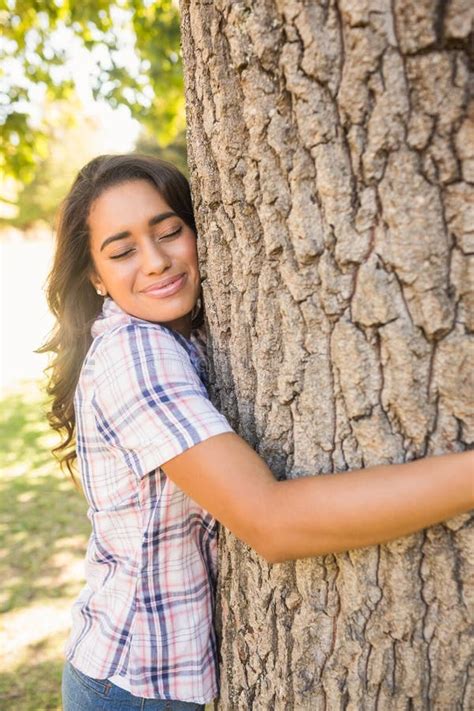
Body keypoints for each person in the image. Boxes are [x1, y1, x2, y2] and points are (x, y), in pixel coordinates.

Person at [42, 154, 473, 711]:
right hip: (134, 688)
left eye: (170, 231)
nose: (154, 261)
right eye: (122, 251)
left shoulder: (178, 336)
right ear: (96, 277)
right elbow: (271, 523)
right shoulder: (135, 351)